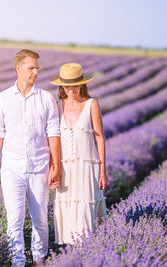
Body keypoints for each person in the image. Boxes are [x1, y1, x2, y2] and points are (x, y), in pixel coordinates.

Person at [0, 49, 61, 266]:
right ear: (18, 69)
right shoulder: (2, 99)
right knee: (14, 222)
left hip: (40, 167)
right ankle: (17, 263)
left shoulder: (46, 98)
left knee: (40, 221)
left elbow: (53, 134)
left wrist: (56, 165)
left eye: (37, 67)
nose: (35, 72)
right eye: (31, 68)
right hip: (11, 167)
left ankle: (39, 261)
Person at [49, 63, 108, 245]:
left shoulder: (92, 104)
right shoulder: (57, 105)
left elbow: (99, 138)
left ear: (82, 84)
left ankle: (87, 254)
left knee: (85, 213)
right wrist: (53, 168)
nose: (70, 89)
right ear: (62, 87)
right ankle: (72, 257)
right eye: (67, 86)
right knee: (67, 215)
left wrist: (103, 169)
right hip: (65, 169)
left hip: (87, 168)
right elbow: (53, 139)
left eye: (74, 85)